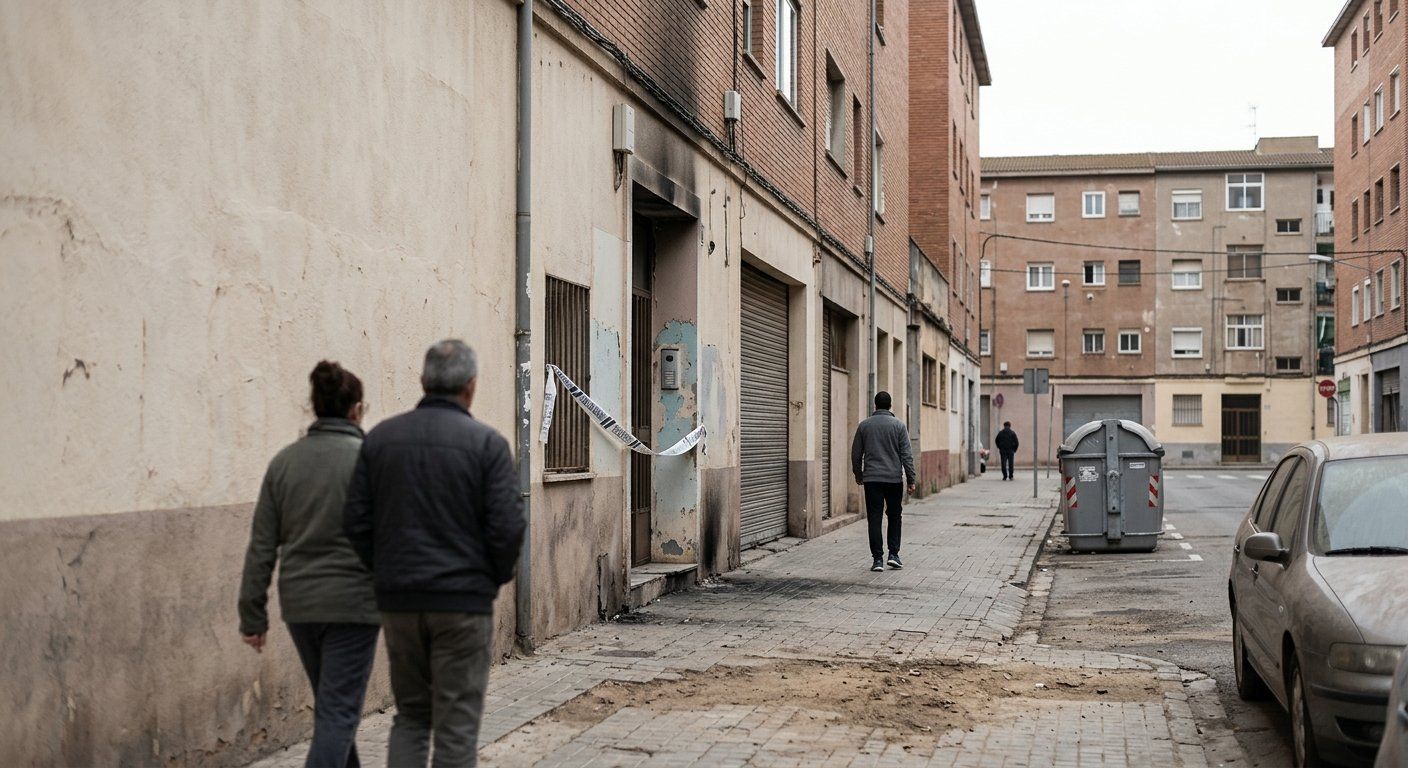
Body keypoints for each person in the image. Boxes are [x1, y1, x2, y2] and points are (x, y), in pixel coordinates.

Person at [344, 340, 526, 768]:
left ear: (423, 382)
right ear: (472, 386)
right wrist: (487, 581)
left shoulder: (381, 440)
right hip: (463, 604)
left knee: (410, 717)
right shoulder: (488, 445)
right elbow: (508, 527)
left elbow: (355, 522)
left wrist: (386, 571)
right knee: (456, 728)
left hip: (400, 601)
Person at [238, 361, 380, 768]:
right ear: (357, 409)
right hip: (355, 605)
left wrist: (252, 615)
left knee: (333, 707)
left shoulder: (284, 464)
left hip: (300, 605)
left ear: (314, 407)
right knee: (338, 712)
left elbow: (262, 546)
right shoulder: (370, 461)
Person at [851, 391, 916, 572]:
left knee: (874, 518)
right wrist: (911, 479)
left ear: (875, 405)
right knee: (895, 517)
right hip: (894, 480)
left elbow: (856, 454)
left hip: (872, 480)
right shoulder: (899, 426)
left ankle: (877, 559)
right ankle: (893, 555)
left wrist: (858, 474)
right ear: (890, 406)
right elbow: (906, 456)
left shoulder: (864, 426)